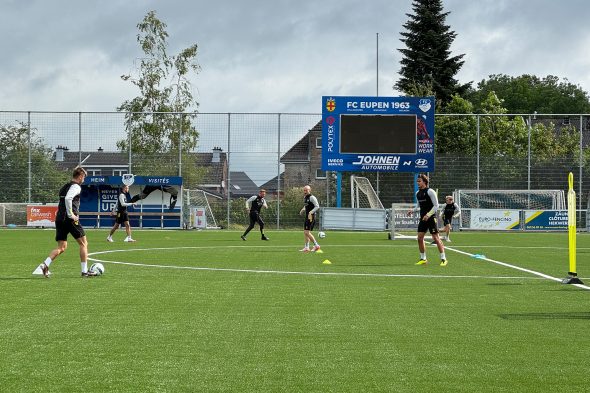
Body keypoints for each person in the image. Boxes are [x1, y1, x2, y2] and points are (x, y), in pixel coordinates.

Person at [36, 166, 98, 277]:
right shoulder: (76, 187)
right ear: (80, 176)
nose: (84, 179)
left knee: (61, 247)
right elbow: (68, 199)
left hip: (59, 218)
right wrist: (72, 215)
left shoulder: (64, 186)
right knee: (84, 243)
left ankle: (45, 264)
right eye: (84, 177)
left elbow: (64, 199)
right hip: (69, 219)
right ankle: (84, 271)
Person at [408, 174, 447, 266]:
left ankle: (443, 259)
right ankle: (423, 259)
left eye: (419, 181)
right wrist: (412, 211)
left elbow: (436, 206)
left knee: (436, 238)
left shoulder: (430, 191)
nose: (418, 182)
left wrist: (428, 215)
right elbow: (418, 206)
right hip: (423, 218)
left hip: (431, 218)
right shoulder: (417, 193)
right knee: (420, 238)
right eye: (417, 181)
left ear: (424, 182)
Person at [299, 185, 320, 252]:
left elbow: (317, 206)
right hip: (307, 216)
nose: (305, 191)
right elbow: (306, 206)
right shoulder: (305, 197)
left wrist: (311, 212)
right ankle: (307, 247)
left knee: (307, 232)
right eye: (304, 190)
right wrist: (302, 210)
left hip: (311, 216)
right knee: (305, 232)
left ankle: (316, 245)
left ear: (309, 190)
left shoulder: (312, 197)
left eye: (306, 190)